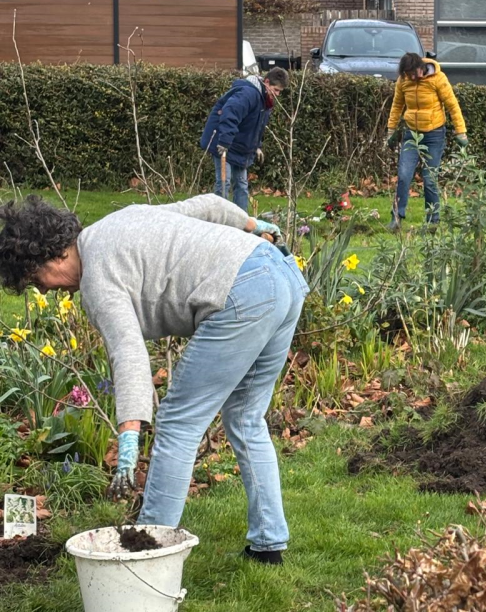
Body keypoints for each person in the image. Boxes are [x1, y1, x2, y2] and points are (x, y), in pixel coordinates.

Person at [0, 194, 309, 564]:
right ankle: (268, 545)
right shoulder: (121, 219)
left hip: (242, 294)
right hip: (281, 272)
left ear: (54, 254)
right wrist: (255, 226)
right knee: (245, 418)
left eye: (36, 279)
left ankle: (149, 554)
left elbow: (128, 353)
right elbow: (209, 205)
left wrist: (129, 437)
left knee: (178, 423)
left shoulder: (97, 280)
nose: (43, 290)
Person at [385, 53, 468, 231]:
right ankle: (396, 217)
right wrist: (391, 130)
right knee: (404, 176)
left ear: (420, 67)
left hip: (434, 134)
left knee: (430, 179)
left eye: (414, 73)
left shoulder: (438, 78)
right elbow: (397, 105)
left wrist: (461, 132)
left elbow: (452, 105)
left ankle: (433, 221)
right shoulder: (403, 81)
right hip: (411, 134)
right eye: (408, 75)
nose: (412, 78)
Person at [200, 67, 289, 212]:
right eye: (276, 90)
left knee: (241, 184)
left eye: (280, 91)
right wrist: (224, 142)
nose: (277, 94)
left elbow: (256, 127)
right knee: (224, 183)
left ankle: (241, 219)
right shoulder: (248, 94)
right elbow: (229, 114)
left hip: (239, 146)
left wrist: (256, 146)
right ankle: (219, 219)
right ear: (267, 82)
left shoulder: (265, 101)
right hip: (223, 140)